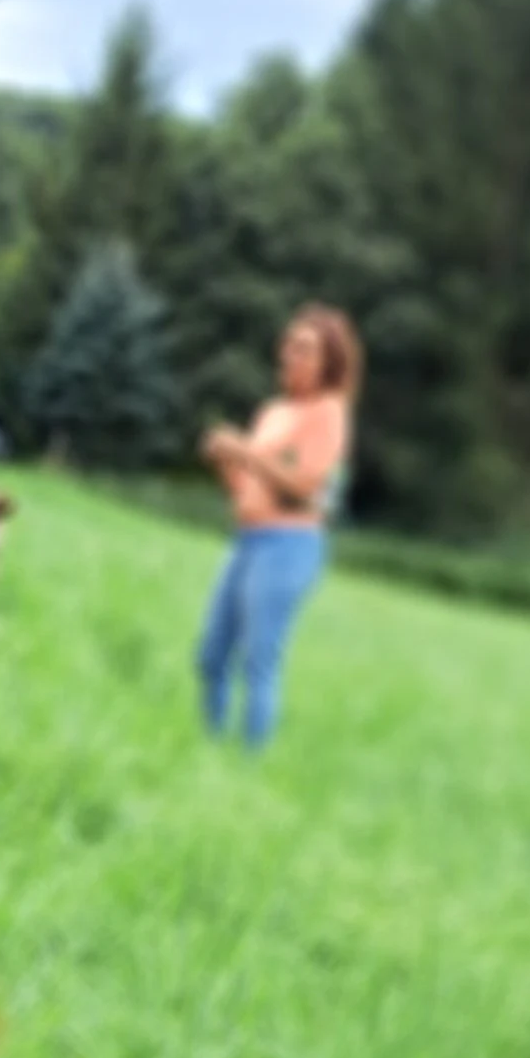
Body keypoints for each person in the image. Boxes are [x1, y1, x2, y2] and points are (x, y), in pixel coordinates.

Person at [195, 306, 361, 746]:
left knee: (257, 660)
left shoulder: (329, 411)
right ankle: (210, 751)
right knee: (211, 654)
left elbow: (308, 487)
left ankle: (248, 767)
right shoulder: (272, 411)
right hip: (248, 538)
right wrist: (225, 460)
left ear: (330, 362)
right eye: (288, 345)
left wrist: (245, 451)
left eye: (305, 349)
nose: (290, 355)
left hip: (289, 544)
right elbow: (245, 489)